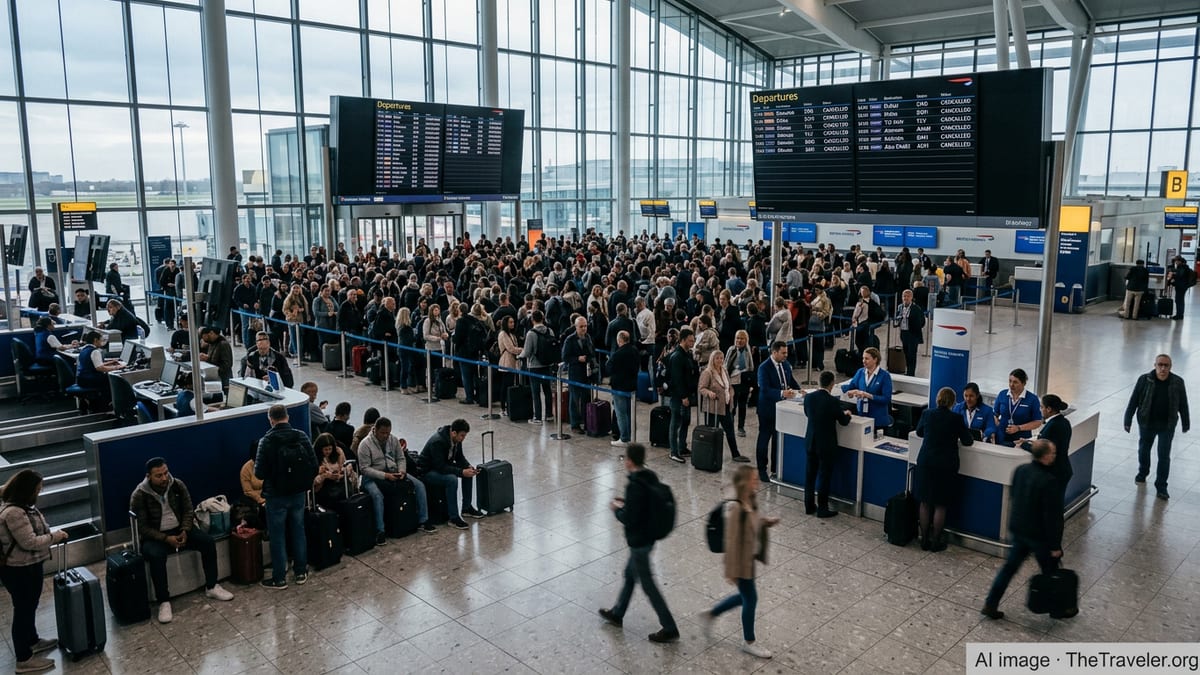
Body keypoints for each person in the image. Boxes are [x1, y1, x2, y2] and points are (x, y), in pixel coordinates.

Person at [130, 458, 234, 624]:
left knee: (207, 542)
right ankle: (163, 601)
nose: (164, 478)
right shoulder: (139, 495)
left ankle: (212, 586)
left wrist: (185, 530)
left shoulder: (177, 485)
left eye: (165, 473)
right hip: (156, 535)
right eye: (158, 475)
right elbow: (142, 527)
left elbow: (188, 510)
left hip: (180, 528)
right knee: (156, 555)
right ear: (148, 476)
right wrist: (166, 538)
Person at [981, 439, 1073, 620]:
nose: (1054, 455)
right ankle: (1058, 607)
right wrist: (1055, 545)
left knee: (1009, 569)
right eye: (1052, 453)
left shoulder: (1021, 470)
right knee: (1051, 572)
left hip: (1020, 529)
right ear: (1045, 456)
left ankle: (991, 603)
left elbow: (1015, 495)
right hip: (1039, 536)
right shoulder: (1049, 481)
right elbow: (1052, 517)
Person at [697, 465, 781, 659]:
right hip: (741, 562)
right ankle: (748, 641)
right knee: (750, 598)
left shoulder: (748, 500)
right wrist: (731, 571)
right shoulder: (736, 508)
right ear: (745, 482)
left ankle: (712, 614)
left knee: (746, 596)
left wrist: (765, 521)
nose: (757, 481)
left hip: (748, 558)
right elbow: (732, 542)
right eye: (753, 479)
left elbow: (752, 521)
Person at [598, 443, 679, 643]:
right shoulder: (649, 477)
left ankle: (669, 627)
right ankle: (618, 612)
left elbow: (630, 518)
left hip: (639, 542)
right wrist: (626, 503)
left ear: (630, 461)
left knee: (648, 585)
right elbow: (643, 507)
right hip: (648, 538)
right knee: (629, 575)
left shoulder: (634, 486)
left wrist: (616, 509)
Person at [0, 469, 68, 674]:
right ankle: (24, 658)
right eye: (37, 489)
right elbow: (29, 542)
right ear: (26, 490)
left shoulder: (21, 507)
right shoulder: (14, 513)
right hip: (20, 569)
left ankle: (32, 640)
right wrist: (55, 537)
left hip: (27, 567)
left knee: (29, 606)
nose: (39, 492)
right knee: (23, 610)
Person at [254, 404, 318, 589]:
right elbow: (313, 465)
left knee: (277, 536)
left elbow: (259, 473)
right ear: (287, 417)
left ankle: (279, 578)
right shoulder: (301, 436)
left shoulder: (266, 441)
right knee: (298, 531)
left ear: (271, 419)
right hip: (298, 493)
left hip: (276, 496)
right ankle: (300, 572)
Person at [914, 387, 974, 551]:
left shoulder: (927, 414)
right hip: (946, 465)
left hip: (926, 461)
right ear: (953, 402)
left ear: (937, 399)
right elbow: (968, 441)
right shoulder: (956, 418)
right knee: (941, 504)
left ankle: (924, 539)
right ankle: (936, 541)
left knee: (925, 502)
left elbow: (919, 432)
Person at [358, 417, 436, 542]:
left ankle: (423, 520)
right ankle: (380, 530)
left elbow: (400, 457)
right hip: (372, 477)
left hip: (393, 472)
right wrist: (384, 476)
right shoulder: (365, 445)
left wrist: (402, 471)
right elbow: (365, 469)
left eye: (388, 433)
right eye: (382, 433)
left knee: (419, 485)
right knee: (377, 496)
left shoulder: (393, 440)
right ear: (375, 430)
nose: (385, 436)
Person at [1124, 354, 1190, 500]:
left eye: (1166, 365)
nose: (1163, 368)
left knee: (1164, 456)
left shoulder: (1178, 382)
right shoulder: (1144, 379)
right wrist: (1127, 418)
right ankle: (1143, 472)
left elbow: (1183, 404)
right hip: (1147, 423)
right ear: (1155, 365)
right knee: (1143, 450)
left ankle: (1161, 486)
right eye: (1160, 365)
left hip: (1167, 425)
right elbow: (1134, 400)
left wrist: (1186, 422)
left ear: (1170, 367)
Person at [415, 419, 483, 530]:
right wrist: (461, 472)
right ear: (454, 433)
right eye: (462, 436)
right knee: (452, 479)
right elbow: (440, 466)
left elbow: (460, 458)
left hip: (441, 467)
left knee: (468, 472)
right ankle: (453, 517)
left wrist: (468, 466)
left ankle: (466, 507)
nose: (463, 439)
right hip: (427, 471)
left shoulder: (456, 440)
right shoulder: (438, 442)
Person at [802, 370, 851, 517]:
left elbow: (807, 413)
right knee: (824, 476)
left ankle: (809, 505)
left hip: (811, 441)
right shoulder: (833, 401)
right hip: (826, 445)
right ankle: (822, 508)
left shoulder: (809, 398)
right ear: (832, 384)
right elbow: (843, 421)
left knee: (810, 475)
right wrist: (847, 414)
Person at [756, 341, 800, 481]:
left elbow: (791, 381)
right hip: (767, 410)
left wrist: (800, 390)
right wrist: (782, 393)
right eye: (783, 353)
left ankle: (776, 468)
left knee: (777, 439)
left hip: (782, 410)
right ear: (774, 352)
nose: (786, 355)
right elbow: (765, 389)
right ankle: (762, 469)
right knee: (764, 438)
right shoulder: (764, 368)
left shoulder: (785, 365)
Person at [698, 350, 747, 462]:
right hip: (712, 408)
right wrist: (709, 393)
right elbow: (702, 388)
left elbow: (728, 385)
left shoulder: (724, 370)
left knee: (730, 431)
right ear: (712, 359)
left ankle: (735, 454)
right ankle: (710, 455)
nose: (720, 360)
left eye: (721, 358)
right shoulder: (708, 373)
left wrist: (731, 392)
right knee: (712, 433)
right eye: (717, 358)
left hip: (725, 406)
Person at [1031, 394, 1073, 503]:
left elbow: (1043, 449)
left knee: (1052, 506)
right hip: (1063, 469)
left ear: (1049, 409)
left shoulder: (1053, 426)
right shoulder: (1064, 422)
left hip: (1056, 472)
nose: (1040, 410)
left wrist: (1022, 444)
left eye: (1041, 407)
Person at [665, 328, 698, 463]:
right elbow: (677, 379)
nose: (692, 343)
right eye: (690, 340)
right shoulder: (677, 356)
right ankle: (674, 451)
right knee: (676, 422)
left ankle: (682, 447)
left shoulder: (687, 354)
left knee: (685, 421)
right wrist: (684, 396)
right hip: (679, 396)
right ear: (683, 340)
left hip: (687, 394)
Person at [840, 347, 893, 432]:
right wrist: (841, 389)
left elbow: (886, 399)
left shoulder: (884, 376)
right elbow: (851, 386)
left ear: (875, 360)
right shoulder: (860, 372)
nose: (864, 361)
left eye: (867, 358)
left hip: (878, 420)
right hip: (862, 417)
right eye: (863, 358)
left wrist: (868, 395)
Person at [518, 310, 556, 424]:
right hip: (547, 365)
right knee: (547, 390)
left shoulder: (531, 333)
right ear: (543, 318)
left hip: (534, 366)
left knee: (535, 392)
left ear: (532, 320)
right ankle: (549, 414)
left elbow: (527, 352)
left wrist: (520, 355)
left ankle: (538, 417)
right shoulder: (550, 331)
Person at [562, 316, 597, 433]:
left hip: (586, 372)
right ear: (576, 327)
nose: (584, 329)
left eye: (585, 326)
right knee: (574, 399)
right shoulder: (570, 340)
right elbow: (565, 357)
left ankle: (587, 421)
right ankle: (575, 424)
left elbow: (592, 351)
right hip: (575, 372)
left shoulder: (588, 337)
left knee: (586, 398)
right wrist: (577, 359)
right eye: (581, 327)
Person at [994, 368, 1042, 446]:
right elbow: (994, 414)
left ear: (1023, 383)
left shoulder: (1032, 399)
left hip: (1020, 441)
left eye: (1015, 382)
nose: (1011, 385)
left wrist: (1018, 428)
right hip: (1001, 437)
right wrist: (996, 424)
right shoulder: (1002, 394)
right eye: (1010, 381)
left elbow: (1037, 422)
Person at [607, 330, 639, 447]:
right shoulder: (635, 350)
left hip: (619, 387)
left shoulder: (618, 353)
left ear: (619, 340)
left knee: (621, 413)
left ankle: (624, 438)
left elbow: (609, 368)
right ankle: (630, 435)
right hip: (631, 386)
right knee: (630, 412)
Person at [726, 330, 755, 437]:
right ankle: (730, 426)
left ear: (746, 340)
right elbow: (726, 365)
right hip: (733, 381)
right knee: (732, 406)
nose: (739, 340)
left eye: (742, 338)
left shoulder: (748, 350)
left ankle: (741, 427)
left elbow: (751, 366)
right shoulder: (731, 349)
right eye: (737, 338)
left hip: (744, 381)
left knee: (742, 405)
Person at [894, 289, 925, 377]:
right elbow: (897, 316)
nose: (906, 298)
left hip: (913, 334)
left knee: (912, 354)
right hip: (904, 333)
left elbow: (922, 322)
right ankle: (908, 370)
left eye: (908, 296)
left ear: (911, 298)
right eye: (904, 296)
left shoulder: (916, 308)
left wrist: (915, 325)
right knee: (906, 353)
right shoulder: (900, 307)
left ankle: (911, 373)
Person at [198, 326, 234, 391]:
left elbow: (227, 364)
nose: (205, 341)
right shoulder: (211, 343)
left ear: (211, 333)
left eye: (206, 337)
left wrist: (208, 360)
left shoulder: (223, 344)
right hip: (215, 376)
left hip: (223, 378)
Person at [1167, 255, 1194, 320]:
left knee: (1179, 300)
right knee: (1180, 300)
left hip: (1181, 286)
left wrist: (1173, 276)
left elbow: (1180, 276)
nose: (1175, 262)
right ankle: (1180, 314)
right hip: (1183, 286)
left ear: (1179, 261)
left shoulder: (1182, 267)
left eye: (1176, 261)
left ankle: (1179, 315)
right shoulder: (1184, 267)